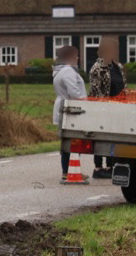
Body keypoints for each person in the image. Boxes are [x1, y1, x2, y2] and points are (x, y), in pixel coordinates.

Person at [85, 39, 126, 178]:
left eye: (114, 50)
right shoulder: (97, 68)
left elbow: (123, 86)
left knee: (113, 138)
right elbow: (96, 91)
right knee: (101, 137)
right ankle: (98, 168)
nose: (112, 53)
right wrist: (105, 107)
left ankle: (110, 165)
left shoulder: (118, 66)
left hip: (118, 109)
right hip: (103, 109)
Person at [52, 44, 87, 184]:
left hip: (66, 107)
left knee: (68, 141)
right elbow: (74, 92)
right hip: (72, 109)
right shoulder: (68, 72)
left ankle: (69, 170)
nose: (78, 58)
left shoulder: (61, 71)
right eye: (76, 55)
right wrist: (85, 101)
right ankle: (69, 171)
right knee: (73, 141)